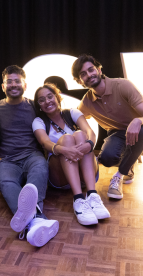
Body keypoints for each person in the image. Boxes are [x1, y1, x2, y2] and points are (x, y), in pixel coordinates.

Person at [71, 54, 143, 199]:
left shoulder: (123, 85)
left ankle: (119, 175)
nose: (89, 75)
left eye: (91, 69)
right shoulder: (87, 102)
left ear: (99, 70)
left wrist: (138, 121)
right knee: (105, 157)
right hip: (118, 135)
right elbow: (75, 120)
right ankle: (129, 163)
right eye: (83, 74)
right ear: (79, 81)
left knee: (142, 131)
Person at [0, 65, 59, 247]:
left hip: (31, 155)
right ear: (3, 86)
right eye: (9, 82)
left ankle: (29, 222)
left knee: (40, 168)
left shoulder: (34, 106)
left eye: (17, 81)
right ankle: (37, 221)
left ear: (25, 85)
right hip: (6, 160)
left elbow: (57, 115)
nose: (13, 85)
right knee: (6, 183)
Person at [32, 83, 110, 225]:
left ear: (57, 97)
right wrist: (64, 149)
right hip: (60, 177)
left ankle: (92, 195)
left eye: (50, 96)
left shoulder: (72, 113)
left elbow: (90, 132)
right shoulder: (39, 121)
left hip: (87, 174)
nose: (47, 101)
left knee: (81, 135)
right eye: (42, 100)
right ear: (39, 105)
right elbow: (44, 142)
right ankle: (78, 199)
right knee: (67, 139)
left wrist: (89, 144)